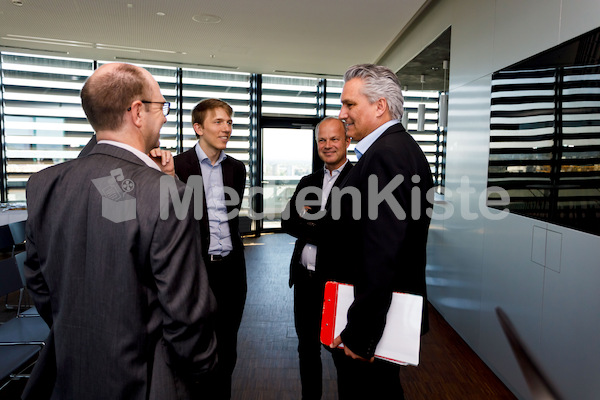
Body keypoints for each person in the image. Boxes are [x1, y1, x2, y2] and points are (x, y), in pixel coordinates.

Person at [23, 63, 217, 400]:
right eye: (162, 107)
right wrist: (202, 375)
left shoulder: (42, 184)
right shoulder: (168, 192)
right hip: (144, 380)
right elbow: (186, 316)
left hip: (67, 374)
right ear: (138, 112)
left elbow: (39, 283)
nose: (166, 117)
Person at [326, 64, 433, 399]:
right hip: (379, 314)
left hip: (372, 321)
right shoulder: (397, 149)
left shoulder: (386, 156)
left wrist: (360, 334)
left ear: (380, 106)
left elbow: (382, 253)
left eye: (350, 104)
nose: (342, 113)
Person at [174, 98, 247, 400]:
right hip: (196, 272)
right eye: (218, 122)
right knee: (195, 347)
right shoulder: (177, 167)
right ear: (198, 128)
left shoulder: (237, 169)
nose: (226, 128)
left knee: (228, 347)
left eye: (229, 122)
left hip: (231, 270)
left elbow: (231, 219)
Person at [282, 117, 352, 400]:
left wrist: (309, 219)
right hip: (305, 281)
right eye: (322, 140)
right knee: (306, 348)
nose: (328, 145)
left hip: (337, 284)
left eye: (334, 139)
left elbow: (348, 232)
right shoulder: (308, 180)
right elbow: (288, 222)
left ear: (347, 141)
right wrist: (320, 224)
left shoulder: (359, 181)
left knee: (340, 353)